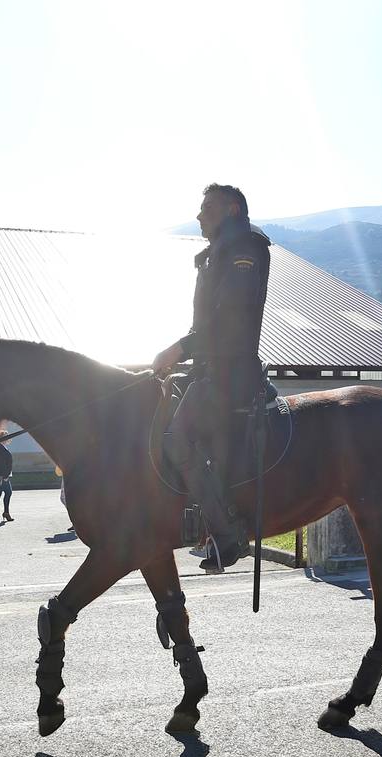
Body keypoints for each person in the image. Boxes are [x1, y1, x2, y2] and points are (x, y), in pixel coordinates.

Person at [152, 184, 271, 572]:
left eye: (207, 208)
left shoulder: (244, 249)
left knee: (175, 439)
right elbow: (203, 322)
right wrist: (183, 359)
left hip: (232, 373)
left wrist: (179, 350)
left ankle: (226, 533)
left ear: (232, 210)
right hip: (211, 369)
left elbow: (230, 321)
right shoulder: (215, 255)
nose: (200, 216)